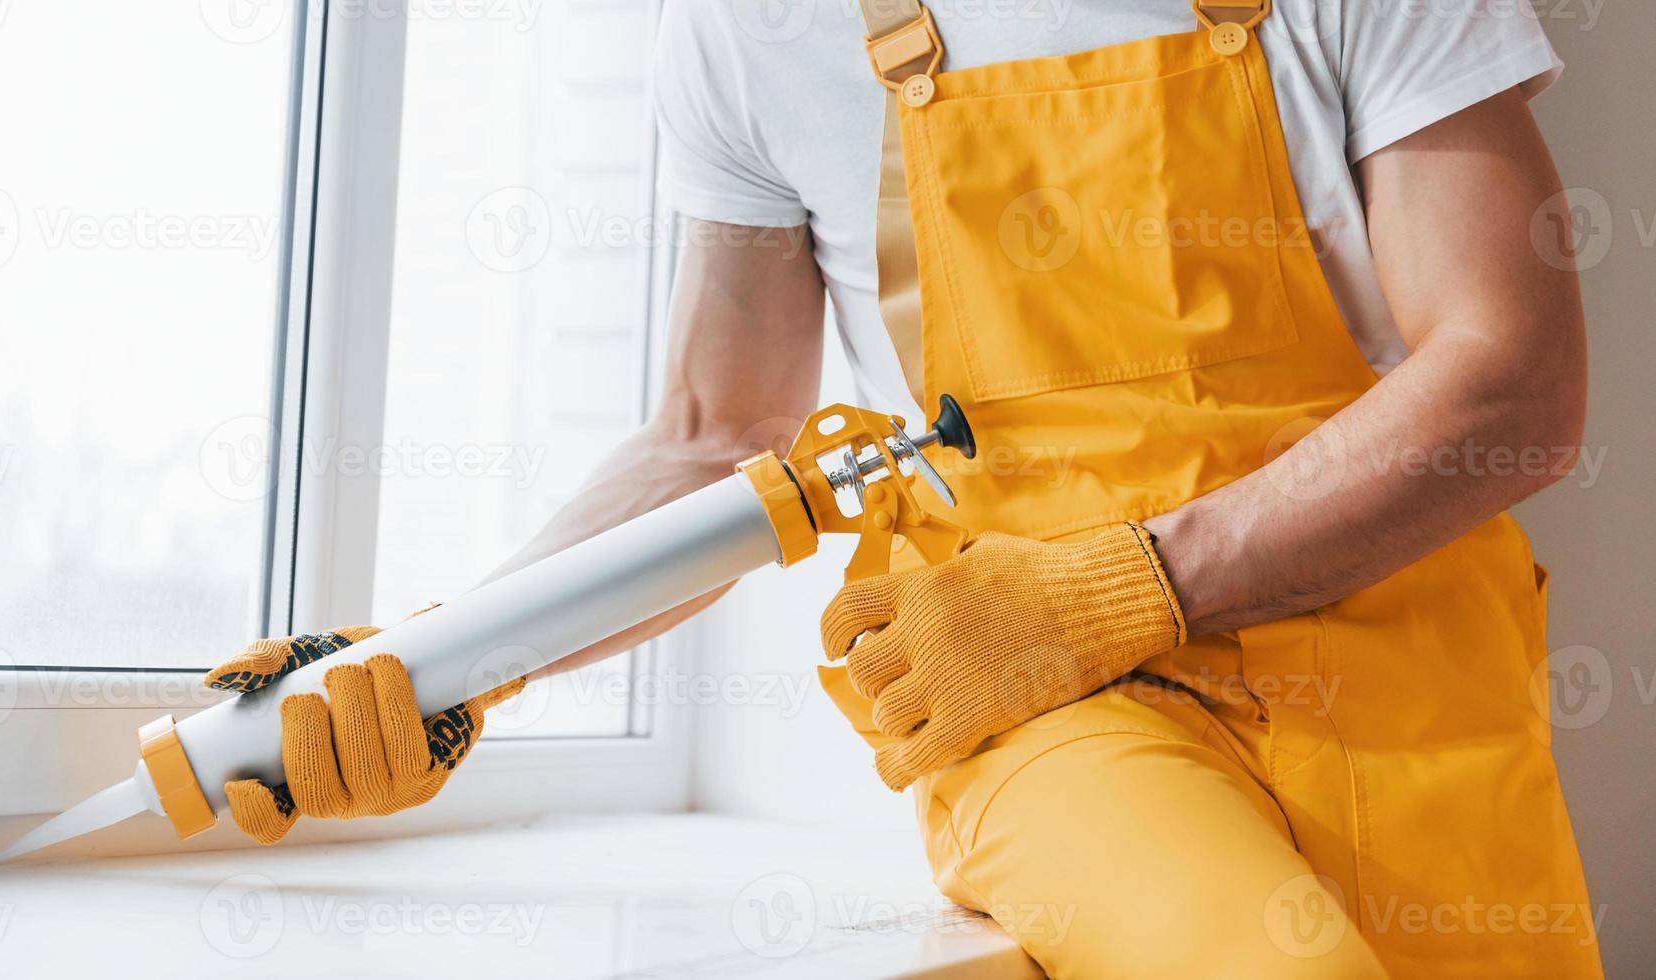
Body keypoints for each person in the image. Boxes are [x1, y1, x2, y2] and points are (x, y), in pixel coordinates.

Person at [204, 2, 1601, 974]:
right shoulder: (755, 24)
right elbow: (714, 434)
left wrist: (1132, 582)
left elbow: (1510, 382)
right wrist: (445, 662)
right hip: (1033, 689)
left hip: (1412, 680)